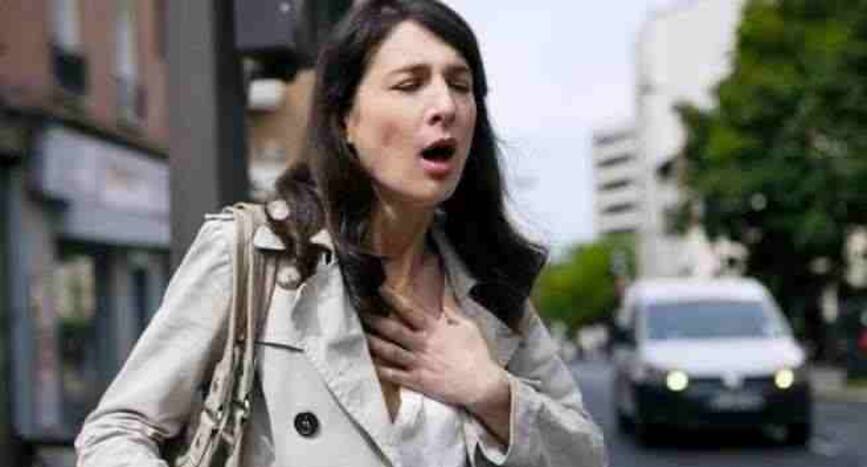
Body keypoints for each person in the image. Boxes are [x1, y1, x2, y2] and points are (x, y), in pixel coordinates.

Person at [75, 1, 606, 466]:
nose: (445, 106)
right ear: (345, 119)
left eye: (460, 85)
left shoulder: (489, 288)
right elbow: (115, 433)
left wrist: (490, 392)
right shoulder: (257, 254)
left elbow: (584, 455)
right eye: (410, 84)